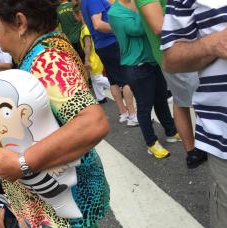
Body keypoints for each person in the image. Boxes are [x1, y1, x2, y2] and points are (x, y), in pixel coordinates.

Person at [0, 0, 130, 228]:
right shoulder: (47, 51)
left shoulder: (43, 60)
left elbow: (92, 122)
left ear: (20, 21)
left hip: (62, 194)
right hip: (67, 189)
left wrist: (23, 163)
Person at [161, 1, 227, 228]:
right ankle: (192, 150)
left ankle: (192, 151)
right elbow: (170, 57)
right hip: (223, 136)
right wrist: (211, 44)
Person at [134, 0, 207, 167]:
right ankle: (195, 151)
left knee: (183, 100)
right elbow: (158, 26)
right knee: (195, 101)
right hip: (177, 54)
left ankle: (196, 150)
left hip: (180, 51)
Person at [108, 0, 179, 158]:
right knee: (145, 106)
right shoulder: (114, 12)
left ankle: (171, 131)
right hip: (136, 65)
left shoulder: (137, 3)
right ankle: (151, 143)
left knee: (161, 100)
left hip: (152, 59)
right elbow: (137, 29)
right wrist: (146, 8)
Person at [80, 0, 137, 124]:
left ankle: (124, 113)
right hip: (111, 43)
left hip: (102, 45)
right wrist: (119, 28)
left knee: (113, 80)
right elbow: (98, 24)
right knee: (126, 79)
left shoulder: (84, 2)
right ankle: (132, 116)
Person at [73, 4, 113, 107]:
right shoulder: (85, 27)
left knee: (97, 78)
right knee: (94, 78)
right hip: (94, 56)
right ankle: (101, 97)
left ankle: (117, 86)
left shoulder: (85, 29)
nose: (74, 17)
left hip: (92, 57)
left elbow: (88, 45)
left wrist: (86, 60)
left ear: (80, 14)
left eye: (74, 14)